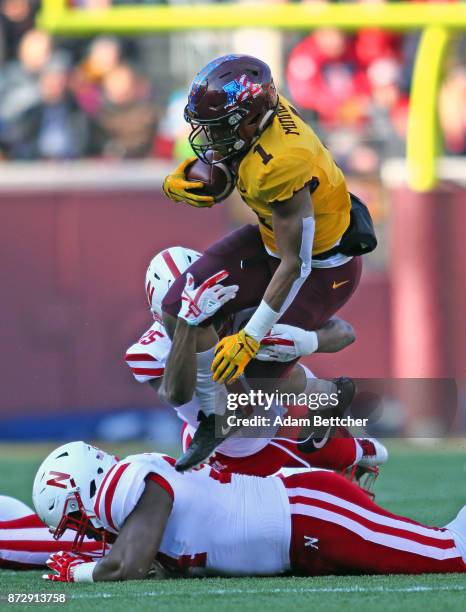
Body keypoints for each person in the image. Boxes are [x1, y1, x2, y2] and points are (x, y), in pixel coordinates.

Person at [161, 55, 376, 470]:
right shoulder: (258, 121)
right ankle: (221, 409)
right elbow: (231, 162)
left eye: (219, 127)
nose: (208, 137)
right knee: (177, 309)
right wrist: (195, 176)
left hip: (321, 267)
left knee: (254, 376)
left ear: (251, 118)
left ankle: (249, 407)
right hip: (271, 240)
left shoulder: (283, 162)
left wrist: (251, 337)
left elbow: (296, 265)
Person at [126, 246, 387, 484]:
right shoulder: (152, 351)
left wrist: (303, 341)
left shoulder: (240, 301)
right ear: (161, 317)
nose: (213, 319)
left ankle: (332, 407)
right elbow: (180, 394)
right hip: (231, 437)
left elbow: (344, 331)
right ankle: (345, 434)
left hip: (273, 412)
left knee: (274, 368)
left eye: (213, 309)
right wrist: (192, 329)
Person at [32, 442, 466, 583]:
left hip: (308, 515)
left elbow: (128, 565)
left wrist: (81, 573)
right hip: (300, 538)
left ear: (86, 486)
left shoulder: (125, 481)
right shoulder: (135, 506)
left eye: (74, 517)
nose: (82, 530)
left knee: (451, 553)